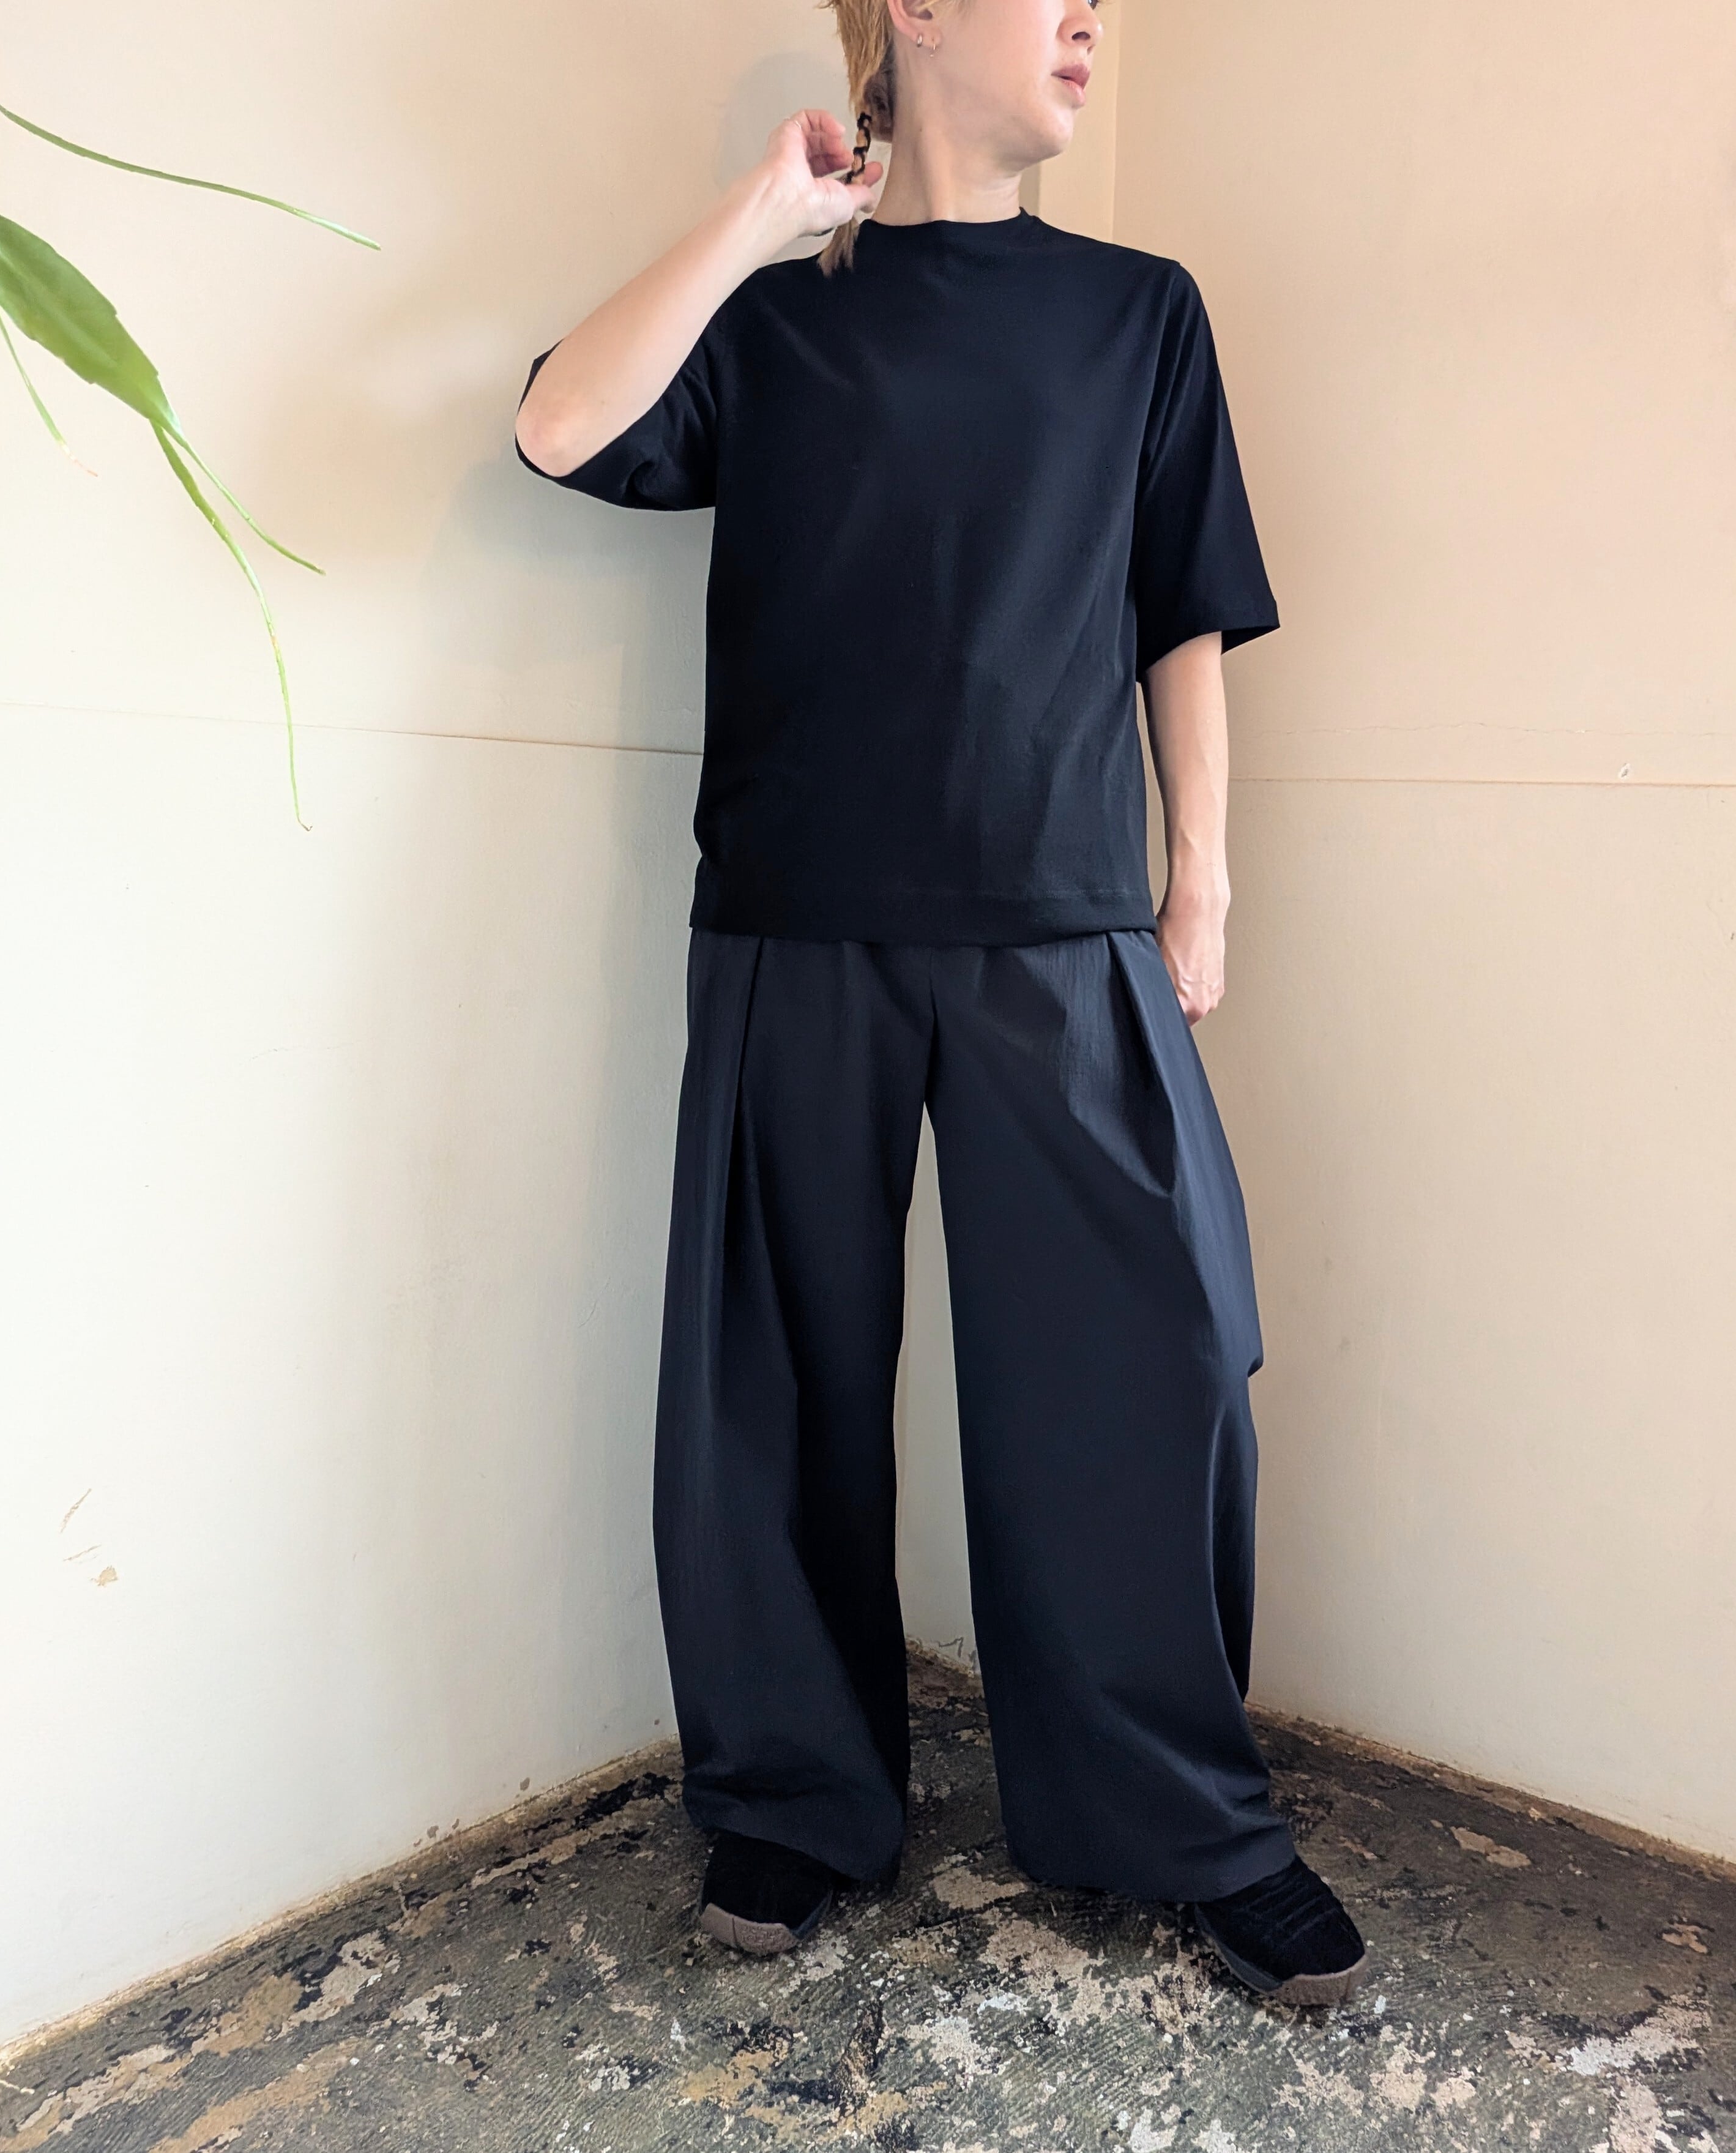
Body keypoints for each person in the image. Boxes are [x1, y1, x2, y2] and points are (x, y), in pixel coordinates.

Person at [515, 0, 1368, 2009]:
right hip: (794, 916)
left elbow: (1181, 605)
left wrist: (1201, 874)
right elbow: (558, 428)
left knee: (1148, 1370)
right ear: (913, 6)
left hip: (1063, 921)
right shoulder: (771, 314)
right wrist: (757, 217)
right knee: (774, 1385)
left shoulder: (1139, 314)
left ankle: (1180, 1817)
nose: (1091, 20)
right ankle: (796, 1799)